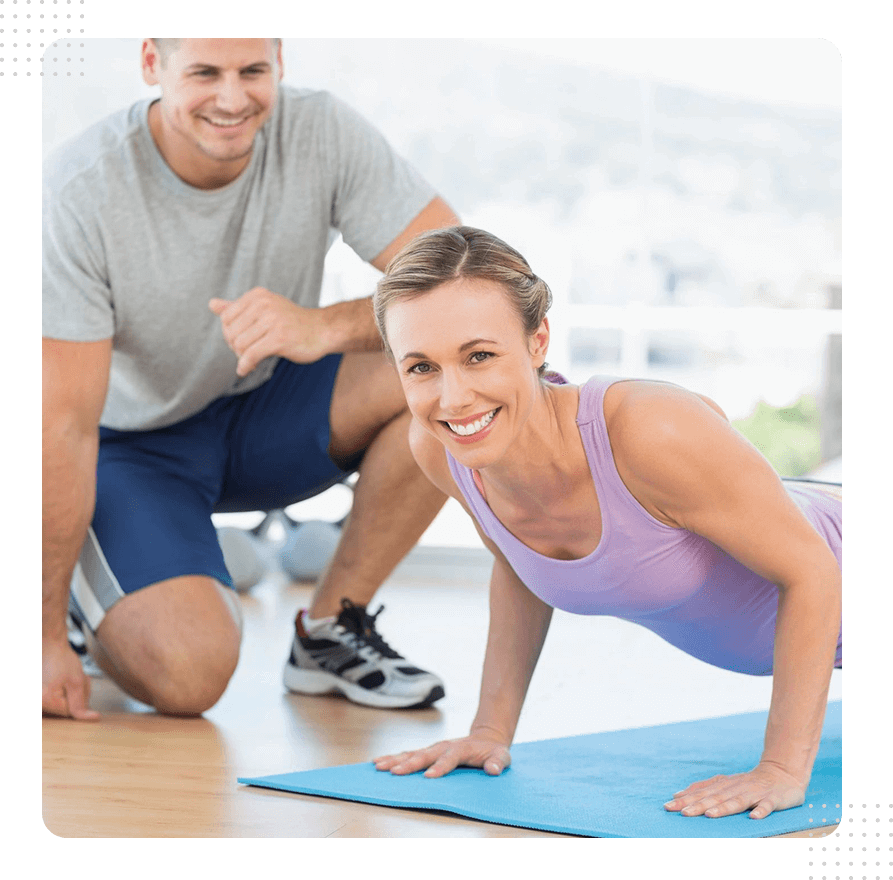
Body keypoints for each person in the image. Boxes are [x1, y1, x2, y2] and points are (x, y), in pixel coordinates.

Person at [42, 38, 461, 720]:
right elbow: (61, 428)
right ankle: (78, 607)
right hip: (125, 446)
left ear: (280, 64)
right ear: (153, 65)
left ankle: (328, 631)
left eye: (252, 71)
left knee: (453, 379)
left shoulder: (320, 130)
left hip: (259, 407)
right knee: (189, 678)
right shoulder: (80, 191)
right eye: (204, 73)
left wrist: (323, 327)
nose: (233, 99)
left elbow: (468, 280)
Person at [370, 226, 842, 821]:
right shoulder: (440, 448)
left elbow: (814, 571)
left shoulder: (650, 430)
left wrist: (781, 769)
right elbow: (516, 566)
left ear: (538, 340)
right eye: (420, 367)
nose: (454, 396)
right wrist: (490, 730)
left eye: (479, 356)